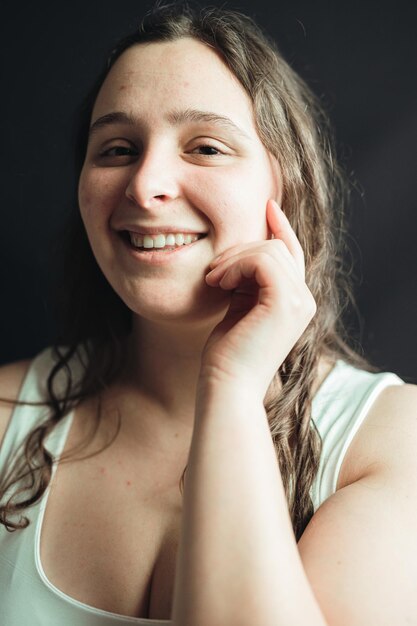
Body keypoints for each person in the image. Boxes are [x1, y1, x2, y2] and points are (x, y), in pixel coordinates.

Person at [0, 4, 416, 625]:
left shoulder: (390, 442)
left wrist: (231, 385)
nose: (145, 186)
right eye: (116, 148)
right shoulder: (6, 417)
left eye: (206, 146)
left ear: (287, 185)